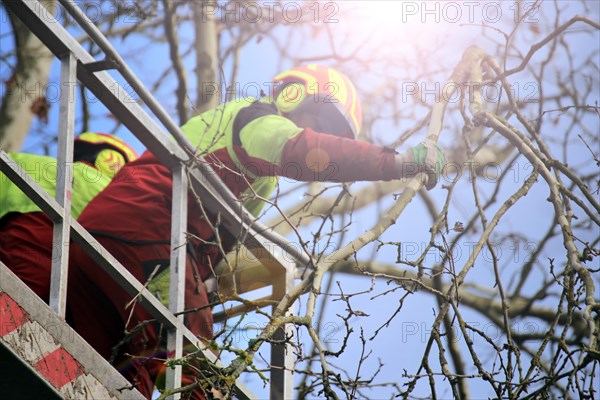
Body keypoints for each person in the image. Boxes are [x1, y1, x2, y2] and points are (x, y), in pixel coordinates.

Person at [66, 65, 445, 399]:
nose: (319, 133)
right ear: (293, 95)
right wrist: (396, 163)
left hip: (105, 246)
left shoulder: (257, 179)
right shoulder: (254, 119)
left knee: (109, 375)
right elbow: (304, 151)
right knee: (192, 360)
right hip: (144, 232)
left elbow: (216, 257)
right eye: (321, 122)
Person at [0, 132, 138, 303]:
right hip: (54, 242)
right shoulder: (116, 196)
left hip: (16, 227)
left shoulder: (27, 162)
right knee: (23, 302)